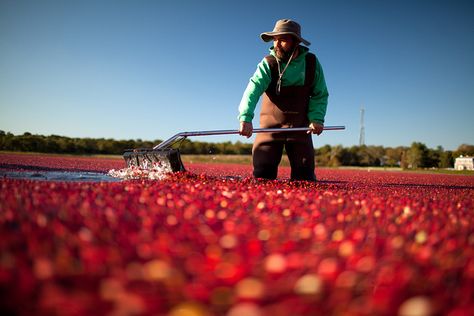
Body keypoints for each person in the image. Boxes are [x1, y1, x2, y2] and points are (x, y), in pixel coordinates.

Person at [238, 19, 329, 181]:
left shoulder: (311, 63)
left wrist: (317, 119)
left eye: (283, 39)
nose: (277, 44)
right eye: (275, 39)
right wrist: (245, 117)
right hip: (270, 128)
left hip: (301, 128)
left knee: (305, 176)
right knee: (262, 174)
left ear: (296, 42)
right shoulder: (268, 63)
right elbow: (252, 90)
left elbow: (320, 93)